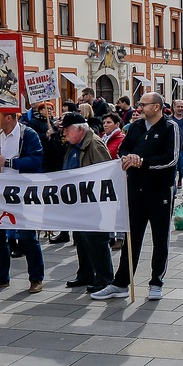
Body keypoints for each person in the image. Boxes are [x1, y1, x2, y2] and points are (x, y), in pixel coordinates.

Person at [110, 93, 180, 300]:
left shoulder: (170, 127)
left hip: (160, 189)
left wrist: (143, 162)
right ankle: (121, 282)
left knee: (160, 237)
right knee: (131, 236)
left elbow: (171, 158)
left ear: (156, 107)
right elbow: (124, 148)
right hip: (135, 187)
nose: (139, 108)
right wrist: (128, 157)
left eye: (143, 104)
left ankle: (156, 282)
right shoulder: (137, 126)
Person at [0, 111, 46, 294]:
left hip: (21, 193)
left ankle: (36, 278)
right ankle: (1, 276)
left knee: (27, 236)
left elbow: (36, 161)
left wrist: (9, 163)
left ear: (8, 118)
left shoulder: (28, 135)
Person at [55, 113, 116, 299]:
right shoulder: (74, 144)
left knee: (95, 240)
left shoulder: (94, 145)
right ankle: (85, 274)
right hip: (77, 201)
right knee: (81, 239)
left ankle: (104, 278)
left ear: (79, 129)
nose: (64, 133)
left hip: (92, 202)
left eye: (67, 129)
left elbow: (105, 172)